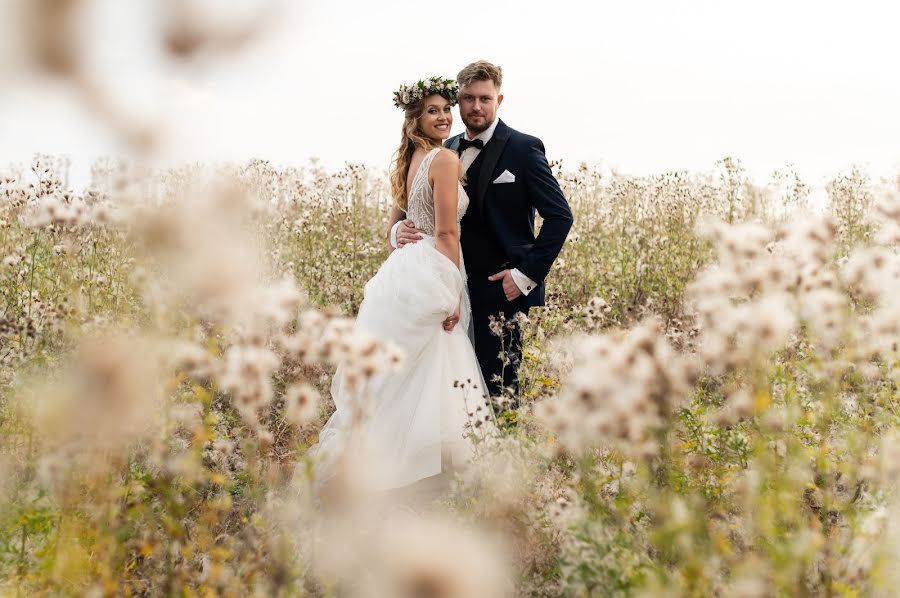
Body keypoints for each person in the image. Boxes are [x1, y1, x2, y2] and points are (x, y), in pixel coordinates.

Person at [309, 76, 492, 493]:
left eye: (447, 108)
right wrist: (452, 293)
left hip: (403, 273)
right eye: (433, 110)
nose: (445, 116)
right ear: (415, 118)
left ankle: (389, 464)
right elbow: (447, 234)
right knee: (432, 364)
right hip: (432, 270)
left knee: (402, 374)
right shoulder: (444, 161)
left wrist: (397, 238)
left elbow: (392, 230)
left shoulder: (408, 161)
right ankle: (420, 475)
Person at [392, 61, 573, 402]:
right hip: (445, 285)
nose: (477, 106)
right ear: (458, 101)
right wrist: (398, 231)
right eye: (469, 98)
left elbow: (561, 217)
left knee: (499, 391)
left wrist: (524, 275)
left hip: (499, 292)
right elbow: (411, 204)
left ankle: (501, 456)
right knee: (446, 392)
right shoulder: (444, 148)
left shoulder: (524, 148)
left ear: (499, 100)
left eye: (485, 99)